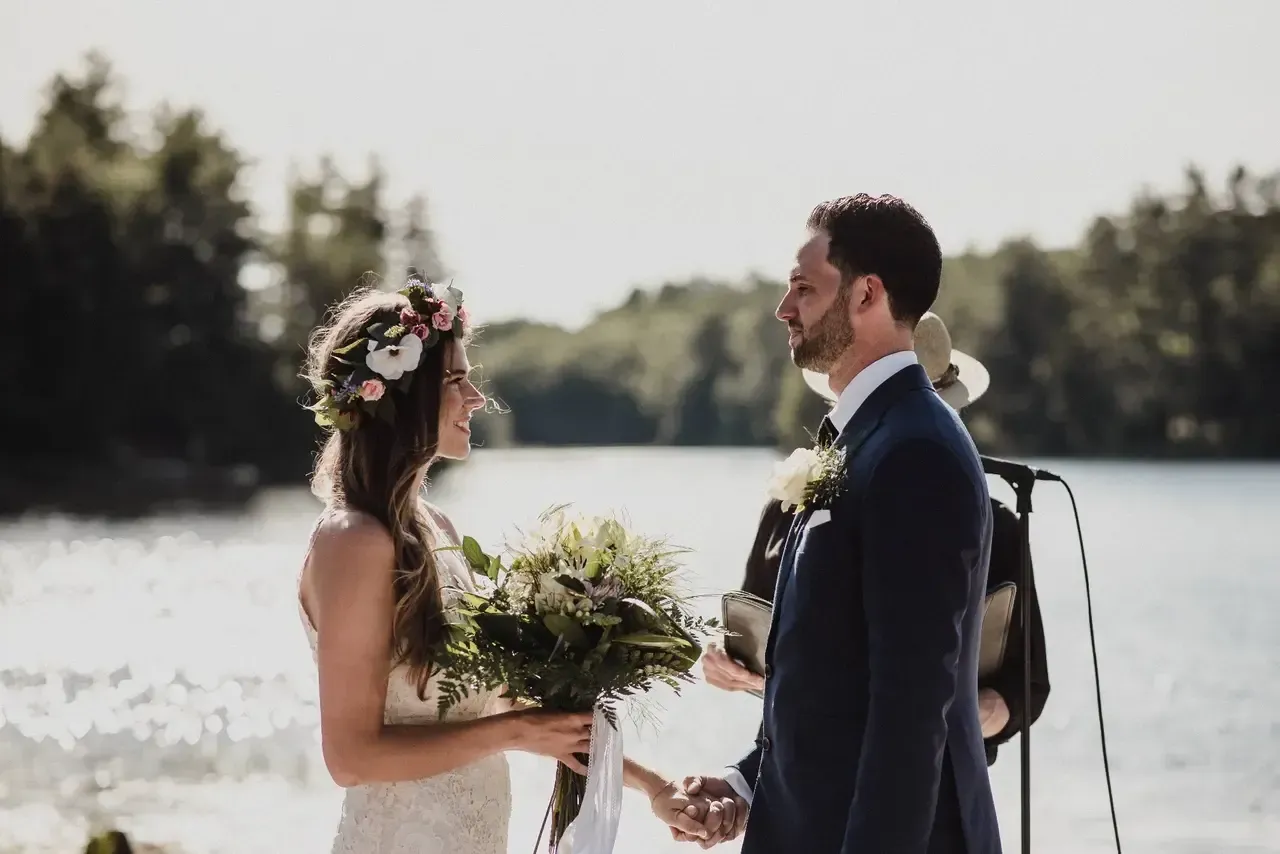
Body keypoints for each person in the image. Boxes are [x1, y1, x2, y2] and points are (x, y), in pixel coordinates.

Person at [295, 275, 727, 853]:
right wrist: (517, 732)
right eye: (455, 380)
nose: (476, 397)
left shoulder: (435, 530)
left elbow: (494, 702)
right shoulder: (353, 541)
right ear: (398, 396)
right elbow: (350, 757)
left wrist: (654, 787)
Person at [677, 194, 1003, 853]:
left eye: (804, 287)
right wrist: (748, 783)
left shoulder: (916, 451)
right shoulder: (860, 438)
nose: (784, 308)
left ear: (865, 295)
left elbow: (910, 713)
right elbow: (830, 679)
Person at [702, 312, 1051, 766]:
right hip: (802, 769)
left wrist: (967, 716)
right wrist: (723, 663)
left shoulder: (997, 525)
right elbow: (755, 638)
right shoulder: (790, 504)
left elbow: (1028, 684)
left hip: (940, 779)